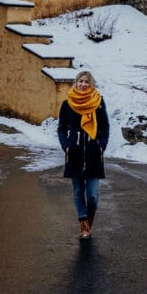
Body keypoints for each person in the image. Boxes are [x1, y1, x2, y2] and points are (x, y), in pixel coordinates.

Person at [57, 70, 109, 240]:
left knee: (92, 196)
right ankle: (84, 224)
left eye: (87, 81)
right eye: (81, 81)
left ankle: (88, 219)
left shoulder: (99, 103)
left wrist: (102, 145)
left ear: (91, 84)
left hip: (93, 153)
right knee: (79, 191)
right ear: (76, 82)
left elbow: (105, 126)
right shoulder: (67, 104)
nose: (83, 84)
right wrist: (66, 146)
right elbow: (62, 128)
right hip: (75, 153)